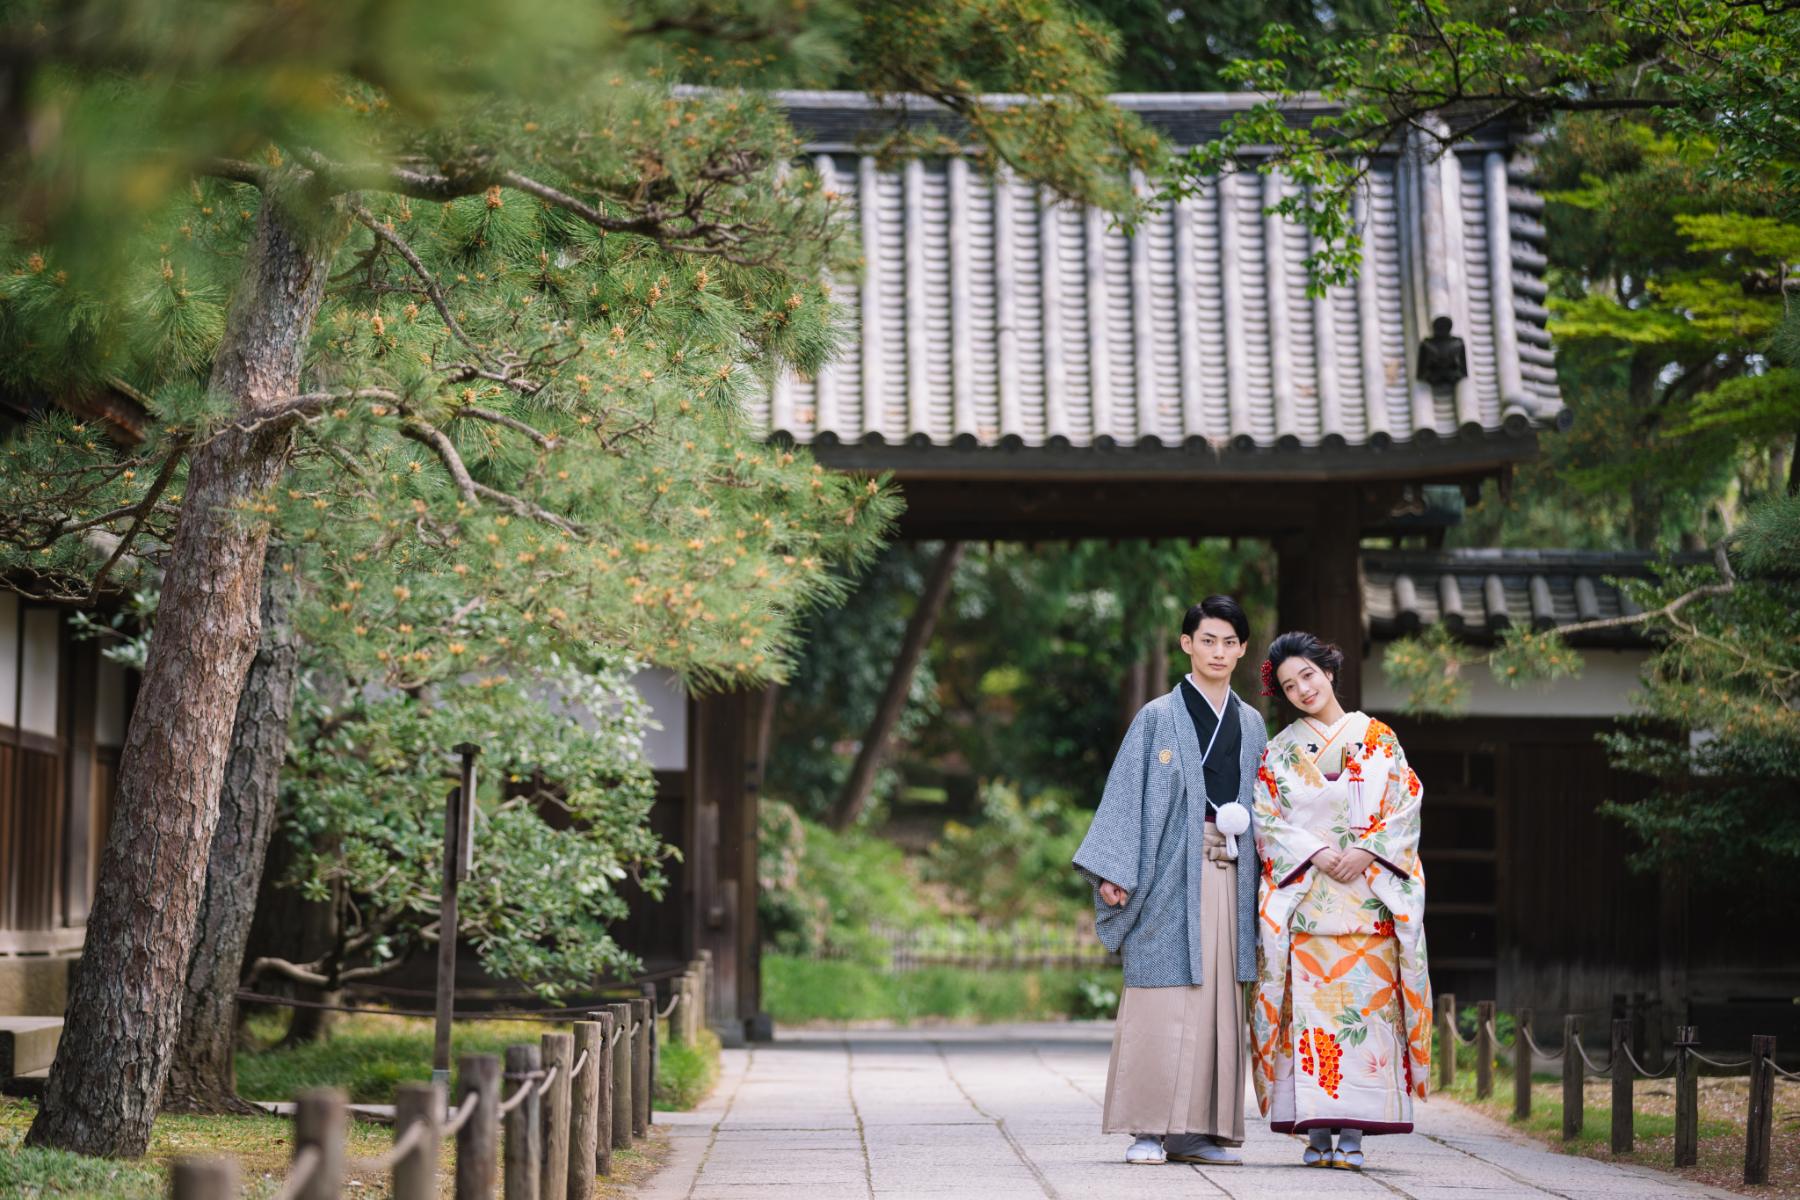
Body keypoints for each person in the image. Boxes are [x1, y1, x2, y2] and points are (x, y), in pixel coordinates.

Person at [1072, 595, 1265, 1166]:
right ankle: (1149, 1129)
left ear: (1243, 650)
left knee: (1218, 1000)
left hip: (1230, 869)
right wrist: (1114, 870)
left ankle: (1199, 1130)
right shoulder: (1157, 715)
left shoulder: (1251, 722)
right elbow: (1126, 793)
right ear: (1187, 644)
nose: (1219, 651)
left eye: (1230, 643)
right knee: (1160, 995)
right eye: (1208, 640)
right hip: (1165, 874)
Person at [1248, 631, 1432, 1171]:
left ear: (1328, 670)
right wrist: (1315, 852)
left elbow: (1406, 804)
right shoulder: (1278, 752)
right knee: (1311, 1025)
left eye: (1308, 675)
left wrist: (1368, 851)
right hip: (1309, 907)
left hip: (1368, 905)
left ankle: (1353, 1131)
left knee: (1366, 1022)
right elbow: (1268, 819)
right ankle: (1315, 1131)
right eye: (1289, 684)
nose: (1302, 688)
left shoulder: (1381, 739)